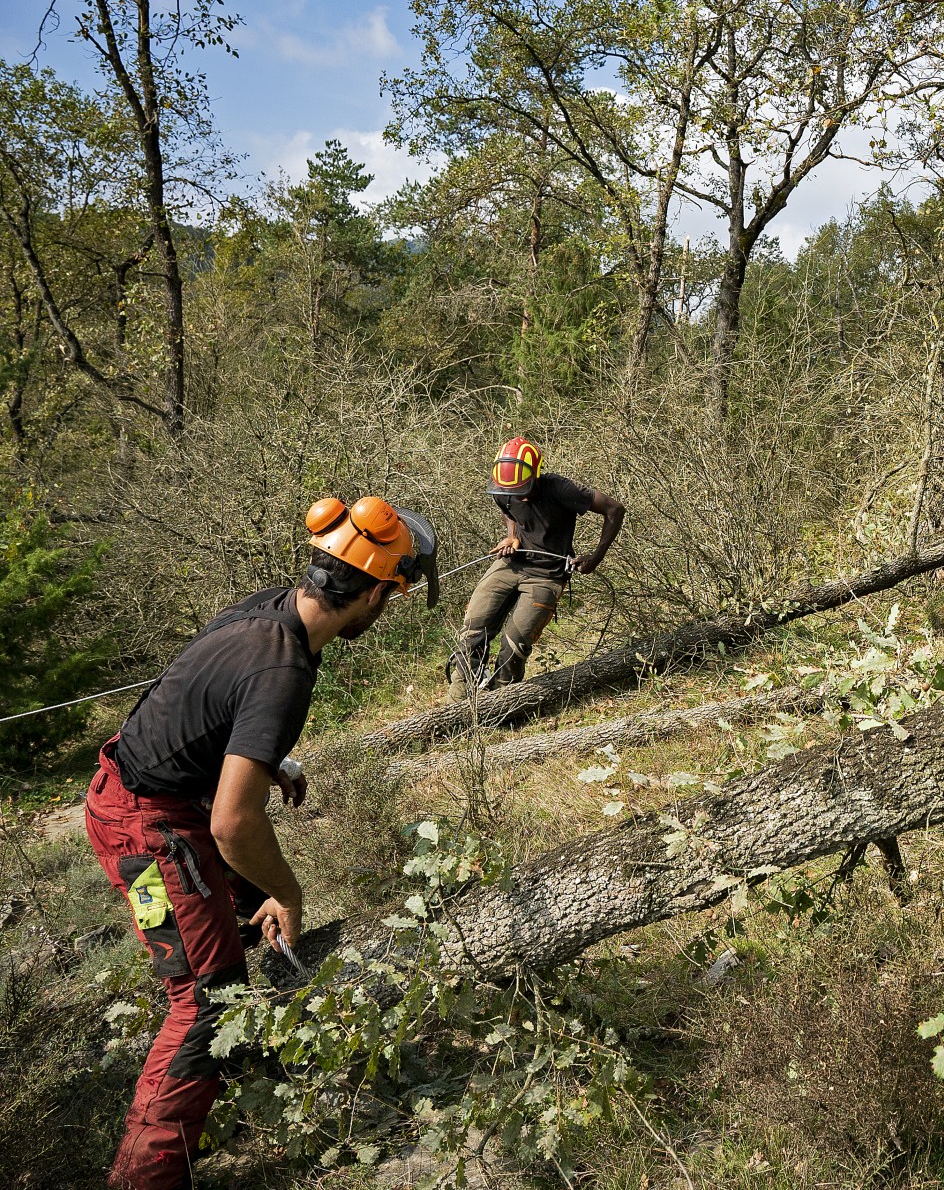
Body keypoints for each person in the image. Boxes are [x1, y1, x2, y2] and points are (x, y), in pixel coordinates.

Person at [84, 496, 438, 1190]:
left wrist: (267, 758)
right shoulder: (284, 672)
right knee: (203, 999)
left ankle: (237, 1066)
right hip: (147, 825)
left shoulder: (268, 607)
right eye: (389, 597)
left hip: (156, 794)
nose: (384, 611)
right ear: (369, 590)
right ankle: (143, 1177)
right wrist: (290, 889)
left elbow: (202, 693)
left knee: (242, 907)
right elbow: (232, 825)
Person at [450, 436, 624, 691]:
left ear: (536, 476)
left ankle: (501, 704)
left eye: (523, 490)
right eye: (510, 491)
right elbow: (508, 510)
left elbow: (615, 509)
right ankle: (460, 702)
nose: (518, 496)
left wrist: (596, 556)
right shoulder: (503, 488)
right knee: (471, 633)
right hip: (510, 564)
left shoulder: (561, 489)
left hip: (547, 575)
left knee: (515, 645)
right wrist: (512, 536)